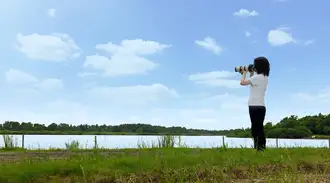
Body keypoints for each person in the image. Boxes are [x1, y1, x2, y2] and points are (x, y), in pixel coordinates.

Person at [239, 56, 270, 151]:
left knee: (255, 129)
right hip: (261, 106)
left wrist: (244, 73)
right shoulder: (264, 77)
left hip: (253, 106)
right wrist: (251, 72)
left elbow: (242, 82)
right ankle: (261, 148)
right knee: (259, 128)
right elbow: (252, 81)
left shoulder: (257, 78)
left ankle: (259, 148)